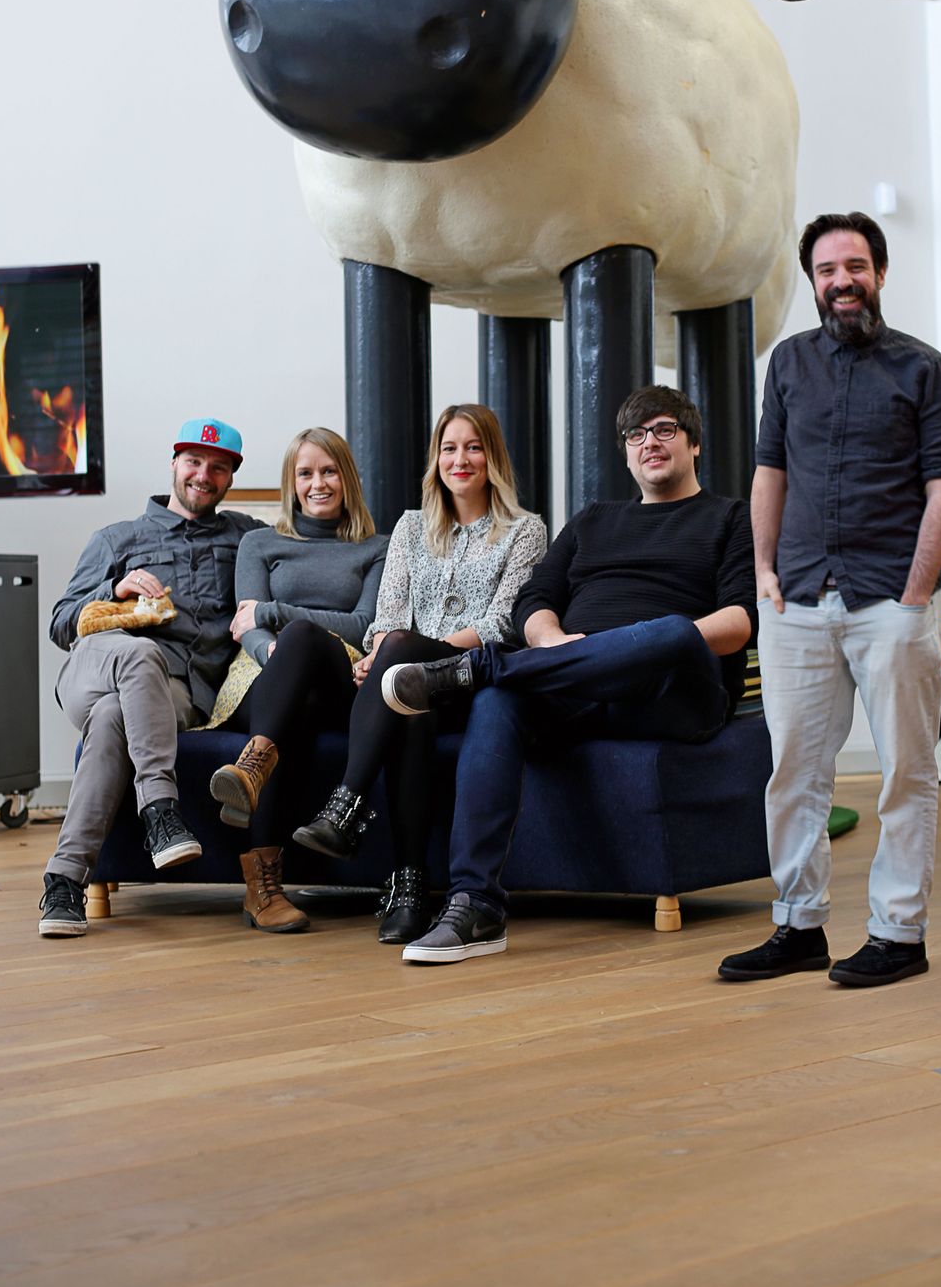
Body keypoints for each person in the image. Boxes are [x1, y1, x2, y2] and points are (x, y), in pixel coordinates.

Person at [382, 384, 756, 965]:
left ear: (694, 444)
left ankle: (482, 667)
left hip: (674, 690)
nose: (649, 443)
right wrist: (552, 641)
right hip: (576, 685)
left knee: (672, 631)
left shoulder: (731, 517)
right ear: (626, 453)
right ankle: (475, 905)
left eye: (663, 430)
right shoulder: (594, 520)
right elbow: (534, 601)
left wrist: (641, 644)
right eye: (636, 435)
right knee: (497, 704)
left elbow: (737, 622)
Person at [719, 213, 941, 989]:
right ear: (814, 283)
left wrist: (917, 591)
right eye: (827, 270)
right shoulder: (788, 363)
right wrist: (763, 574)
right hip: (796, 601)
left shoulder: (924, 369)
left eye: (856, 266)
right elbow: (769, 474)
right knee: (793, 771)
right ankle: (798, 927)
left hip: (890, 599)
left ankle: (899, 933)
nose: (842, 281)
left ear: (880, 275)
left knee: (905, 774)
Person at [292, 403, 546, 944]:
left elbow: (501, 624)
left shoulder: (526, 531)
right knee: (407, 703)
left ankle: (346, 805)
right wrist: (383, 655)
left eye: (473, 447)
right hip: (405, 681)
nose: (461, 459)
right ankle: (407, 892)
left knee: (406, 667)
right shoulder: (411, 527)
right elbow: (387, 617)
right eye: (449, 448)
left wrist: (405, 657)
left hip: (469, 675)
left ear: (492, 457)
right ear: (436, 459)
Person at [38, 417, 260, 938]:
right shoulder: (117, 537)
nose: (204, 475)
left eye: (218, 467)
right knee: (137, 656)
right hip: (97, 664)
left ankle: (64, 880)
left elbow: (306, 555)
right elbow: (60, 622)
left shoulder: (247, 538)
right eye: (194, 462)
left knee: (116, 715)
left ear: (230, 478)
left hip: (176, 695)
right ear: (174, 465)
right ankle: (160, 810)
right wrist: (114, 590)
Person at [207, 427, 388, 934]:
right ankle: (262, 888)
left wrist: (275, 614)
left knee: (305, 636)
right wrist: (274, 648)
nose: (318, 483)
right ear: (292, 483)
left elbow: (364, 624)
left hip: (342, 674)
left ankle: (251, 765)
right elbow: (249, 633)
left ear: (347, 478)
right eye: (305, 473)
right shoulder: (259, 542)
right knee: (297, 702)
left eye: (328, 471)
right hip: (262, 674)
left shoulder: (379, 547)